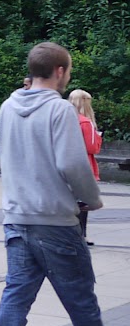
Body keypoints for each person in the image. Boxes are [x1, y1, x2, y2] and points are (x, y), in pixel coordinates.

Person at [0, 42, 129, 326]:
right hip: (54, 221)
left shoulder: (8, 107)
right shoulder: (59, 110)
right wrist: (90, 199)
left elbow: (3, 156)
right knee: (81, 296)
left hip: (17, 217)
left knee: (16, 294)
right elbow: (71, 163)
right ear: (61, 71)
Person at [68, 89, 103, 246]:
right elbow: (92, 148)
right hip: (83, 166)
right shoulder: (85, 122)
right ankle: (81, 235)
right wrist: (98, 138)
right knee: (83, 203)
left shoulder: (64, 119)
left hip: (65, 165)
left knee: (69, 202)